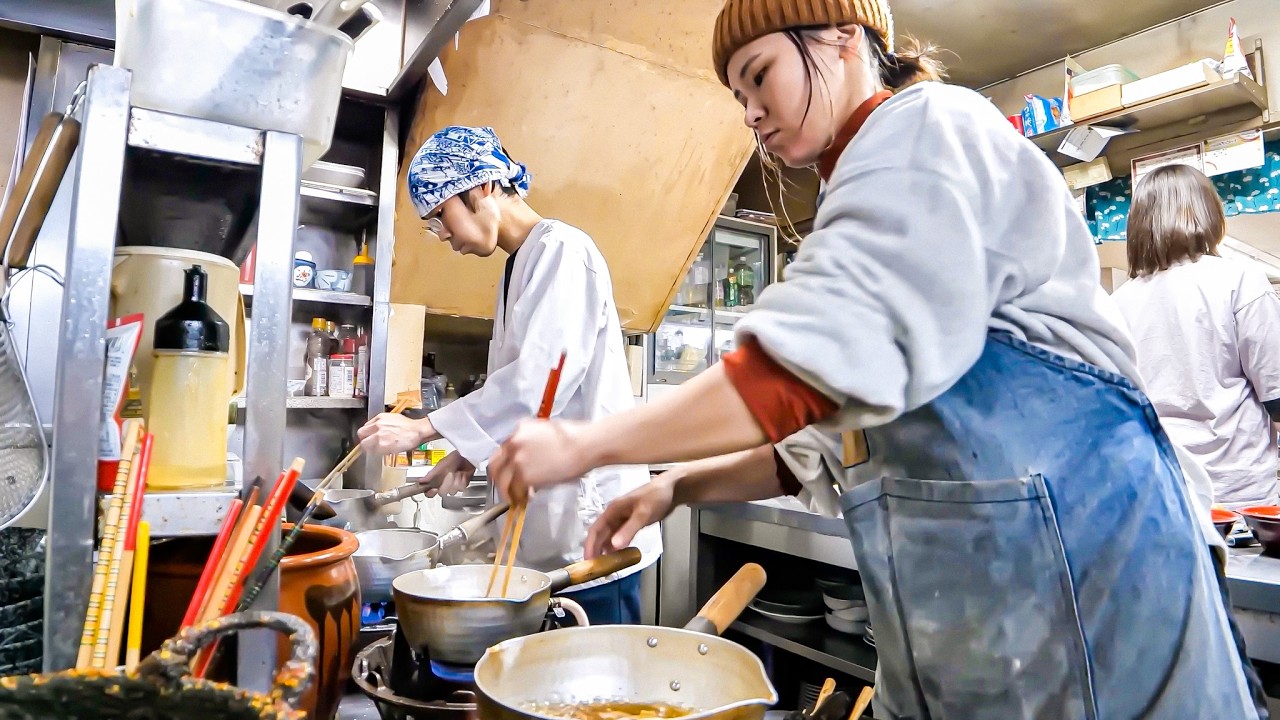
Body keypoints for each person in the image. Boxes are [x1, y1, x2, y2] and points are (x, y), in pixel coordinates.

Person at [484, 1, 1267, 717]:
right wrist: (677, 486)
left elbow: (798, 375)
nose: (751, 110)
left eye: (760, 76)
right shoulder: (858, 197)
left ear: (842, 37)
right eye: (738, 95)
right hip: (983, 622)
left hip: (1096, 592)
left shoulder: (929, 132)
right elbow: (823, 444)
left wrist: (585, 443)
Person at [356, 125, 661, 624]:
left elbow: (542, 381)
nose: (443, 235)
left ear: (479, 188)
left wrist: (423, 427)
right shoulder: (518, 266)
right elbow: (519, 398)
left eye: (439, 218)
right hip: (551, 537)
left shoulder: (564, 250)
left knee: (592, 694)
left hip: (591, 534)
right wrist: (467, 453)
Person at [1113, 165, 1280, 508]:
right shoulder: (1240, 279)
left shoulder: (1117, 303)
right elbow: (1277, 391)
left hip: (1162, 488)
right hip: (1239, 489)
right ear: (1209, 213)